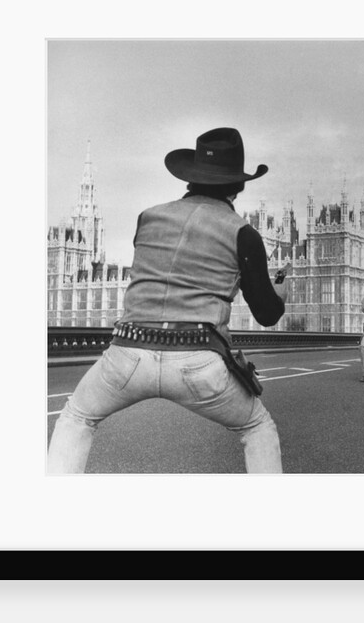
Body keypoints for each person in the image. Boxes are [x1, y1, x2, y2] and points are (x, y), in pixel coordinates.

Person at [47, 127, 288, 474]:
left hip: (127, 353)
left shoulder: (148, 218)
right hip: (196, 359)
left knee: (76, 417)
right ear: (238, 185)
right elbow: (266, 314)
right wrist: (279, 293)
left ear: (190, 177)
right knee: (257, 426)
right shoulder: (244, 233)